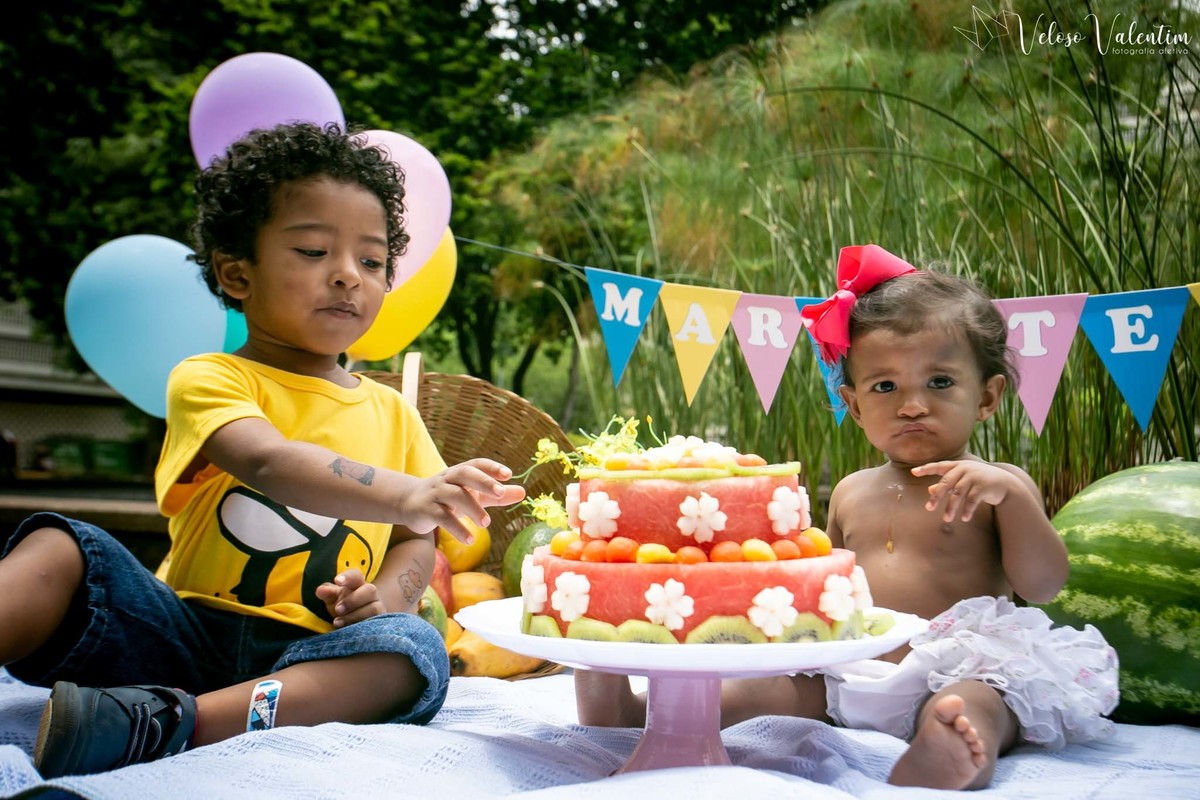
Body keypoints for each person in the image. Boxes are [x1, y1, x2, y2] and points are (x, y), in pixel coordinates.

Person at [0, 122, 525, 778]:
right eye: (312, 251)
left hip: (308, 664)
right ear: (236, 273)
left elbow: (414, 537)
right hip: (178, 634)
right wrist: (410, 492)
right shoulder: (212, 377)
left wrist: (387, 598)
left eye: (370, 260)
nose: (346, 277)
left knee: (411, 648)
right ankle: (159, 702)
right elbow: (269, 462)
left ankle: (167, 724)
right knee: (62, 547)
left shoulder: (392, 411)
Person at [574, 244, 1118, 790]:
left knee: (981, 701)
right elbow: (820, 583)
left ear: (987, 396)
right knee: (759, 690)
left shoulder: (999, 485)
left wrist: (1015, 501)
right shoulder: (851, 492)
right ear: (855, 406)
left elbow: (1044, 585)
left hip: (956, 661)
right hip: (848, 669)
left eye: (940, 382)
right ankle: (634, 710)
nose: (911, 404)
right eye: (885, 386)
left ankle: (951, 745)